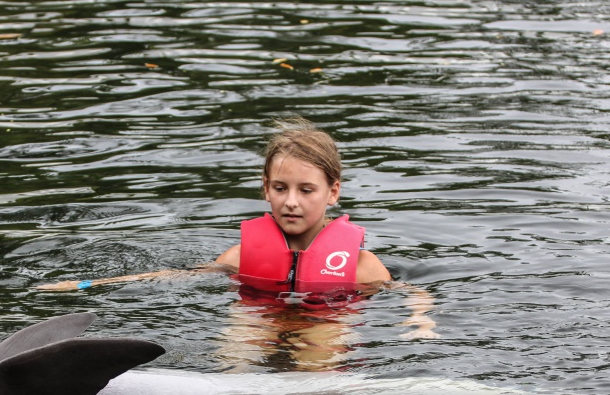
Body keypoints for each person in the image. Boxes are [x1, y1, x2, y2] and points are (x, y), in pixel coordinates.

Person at [37, 117, 438, 346]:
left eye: (306, 190)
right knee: (235, 359)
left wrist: (420, 320)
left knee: (320, 369)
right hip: (258, 318)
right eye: (280, 189)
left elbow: (412, 292)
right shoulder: (241, 258)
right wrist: (86, 284)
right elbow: (175, 276)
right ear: (265, 188)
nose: (291, 202)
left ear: (332, 192)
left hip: (323, 323)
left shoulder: (362, 267)